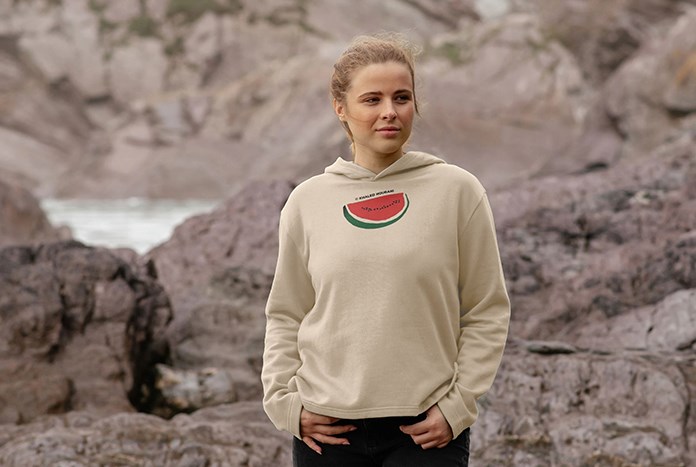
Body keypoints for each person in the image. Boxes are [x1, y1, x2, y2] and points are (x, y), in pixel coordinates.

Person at [261, 32, 510, 467]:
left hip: (425, 433)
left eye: (402, 97)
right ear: (341, 107)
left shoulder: (458, 191)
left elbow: (486, 310)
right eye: (372, 100)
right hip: (328, 432)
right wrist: (286, 404)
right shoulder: (307, 201)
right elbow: (286, 314)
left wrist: (458, 407)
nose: (389, 112)